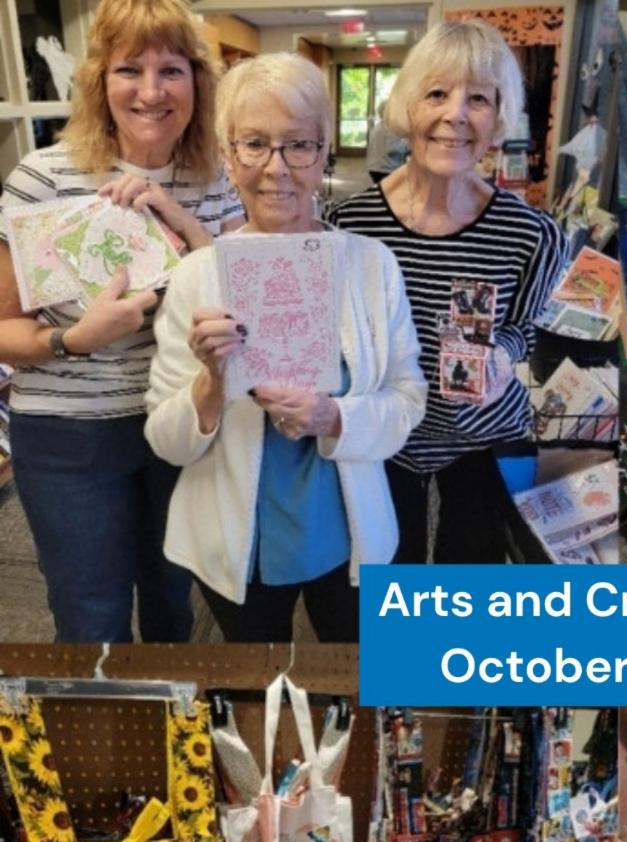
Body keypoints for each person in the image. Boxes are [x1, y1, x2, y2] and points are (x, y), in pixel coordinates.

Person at [144, 54, 426, 643]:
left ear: (324, 153)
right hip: (238, 538)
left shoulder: (371, 266)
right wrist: (209, 382)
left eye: (298, 145)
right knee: (257, 692)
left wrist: (334, 416)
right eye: (253, 144)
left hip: (348, 530)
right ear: (227, 156)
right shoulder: (197, 276)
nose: (276, 168)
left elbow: (407, 398)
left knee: (356, 682)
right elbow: (166, 444)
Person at [0, 0, 242, 642]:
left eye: (172, 70)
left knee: (172, 603)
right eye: (129, 69)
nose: (151, 91)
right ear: (99, 81)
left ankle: (172, 743)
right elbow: (1, 327)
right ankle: (103, 745)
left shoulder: (216, 180)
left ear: (198, 81)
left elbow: (244, 308)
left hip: (178, 424)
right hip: (68, 436)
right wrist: (73, 339)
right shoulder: (42, 179)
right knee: (91, 616)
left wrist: (185, 224)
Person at [330, 19, 567, 563]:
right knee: (389, 576)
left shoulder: (530, 233)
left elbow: (529, 326)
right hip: (386, 438)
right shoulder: (348, 224)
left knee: (470, 584)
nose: (455, 114)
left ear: (498, 117)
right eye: (436, 93)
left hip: (484, 436)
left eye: (478, 99)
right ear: (409, 106)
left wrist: (504, 356)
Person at [366, 98, 409, 184]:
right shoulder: (389, 129)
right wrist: (409, 143)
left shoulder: (377, 127)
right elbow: (392, 149)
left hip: (374, 167)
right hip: (385, 169)